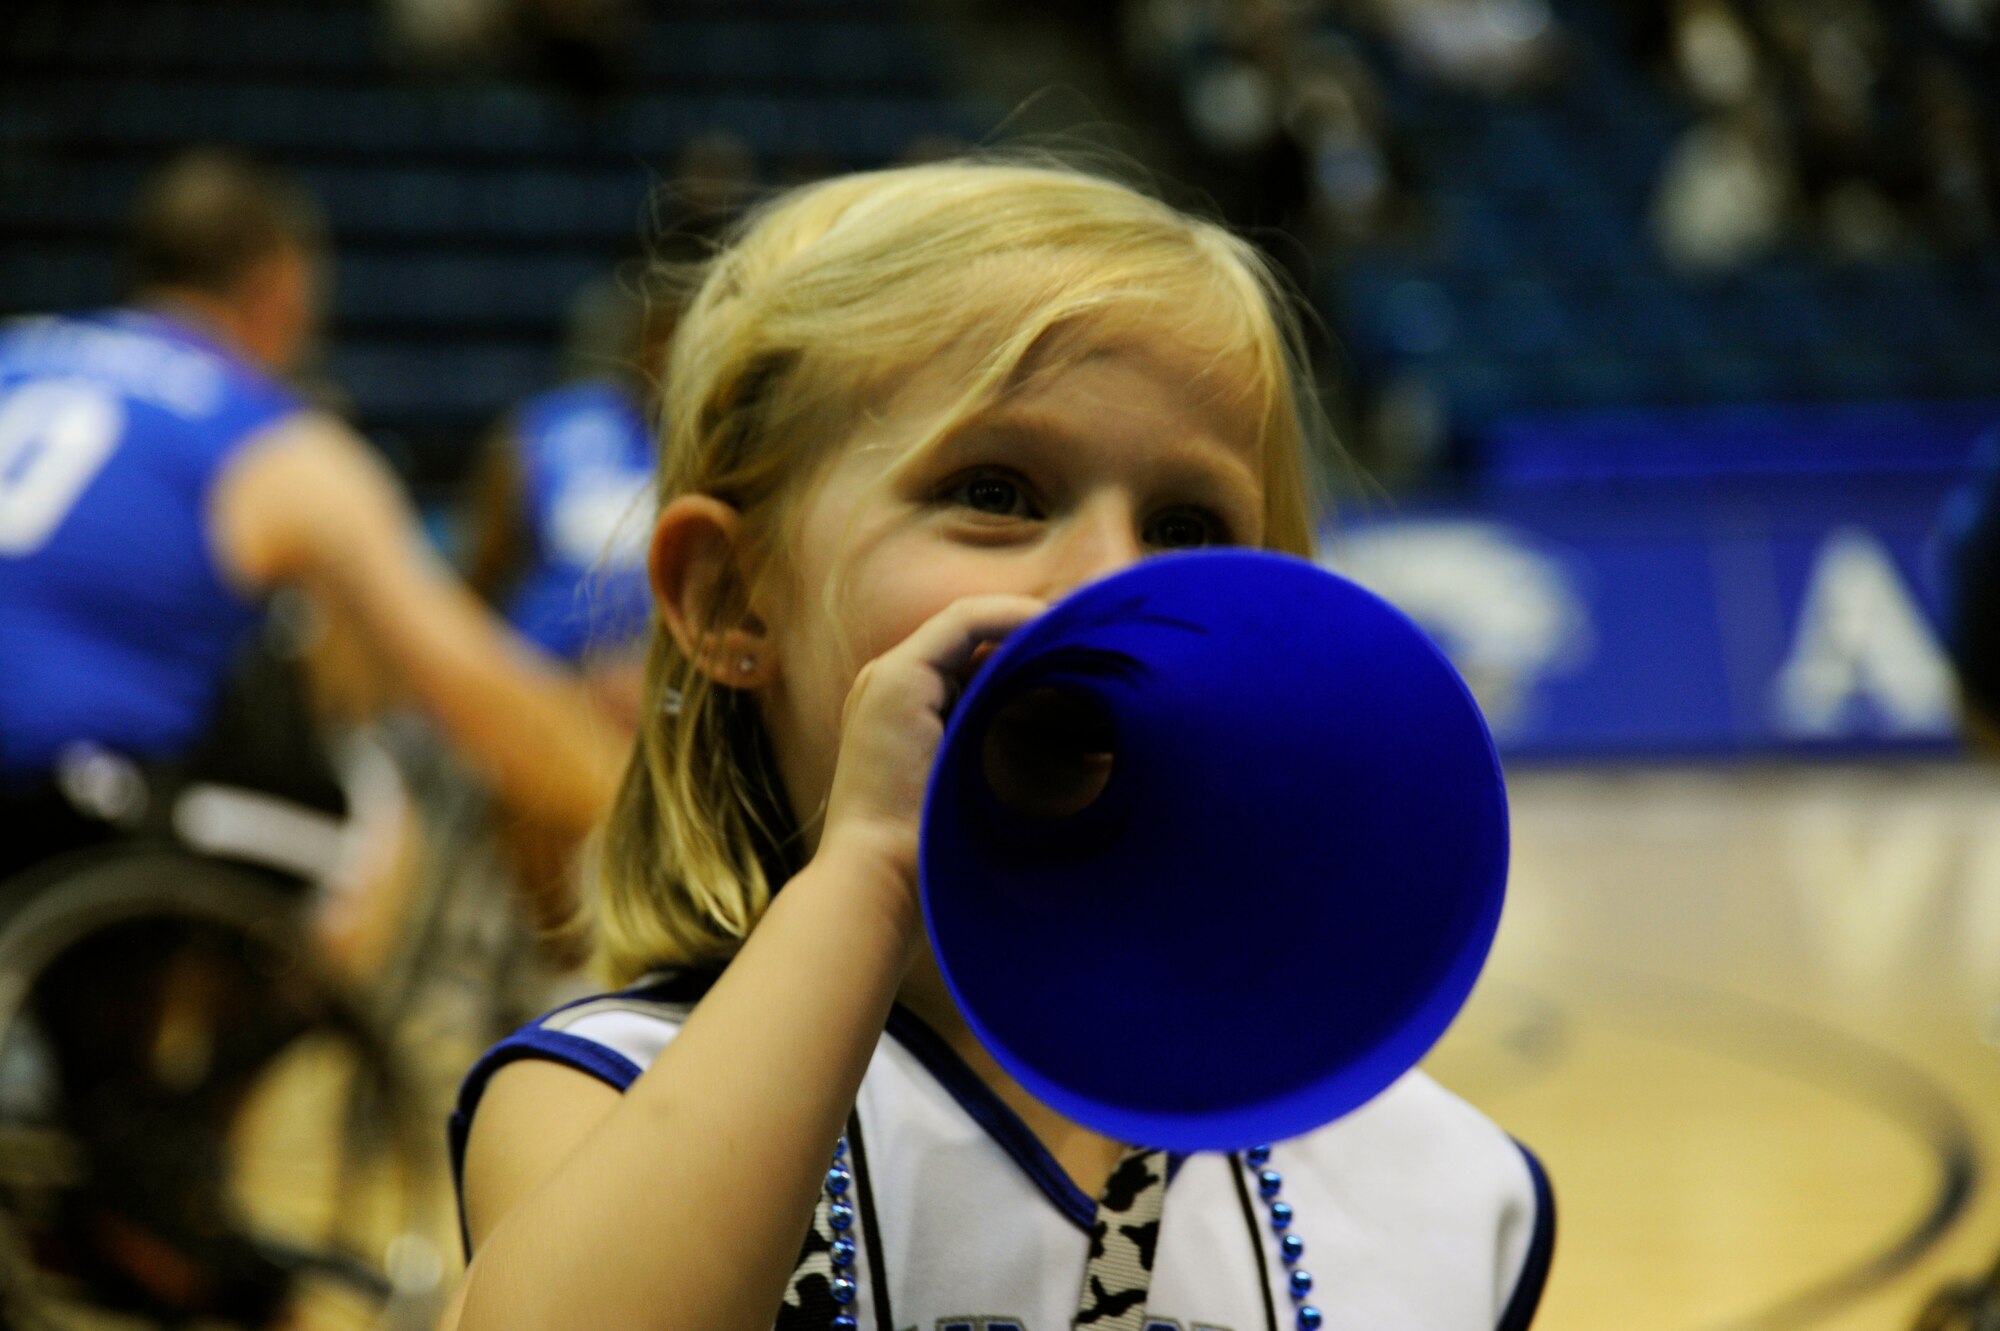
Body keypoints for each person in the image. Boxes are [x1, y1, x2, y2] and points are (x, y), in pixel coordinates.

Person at [445, 157, 1554, 1331]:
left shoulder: (1436, 1187)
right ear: (730, 598)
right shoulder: (606, 1091)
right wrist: (872, 869)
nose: (1104, 583)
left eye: (1187, 526)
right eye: (997, 490)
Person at [0, 147, 624, 882]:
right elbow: (472, 687)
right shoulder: (264, 438)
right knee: (381, 837)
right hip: (63, 803)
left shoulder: (18, 351)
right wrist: (645, 815)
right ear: (278, 291)